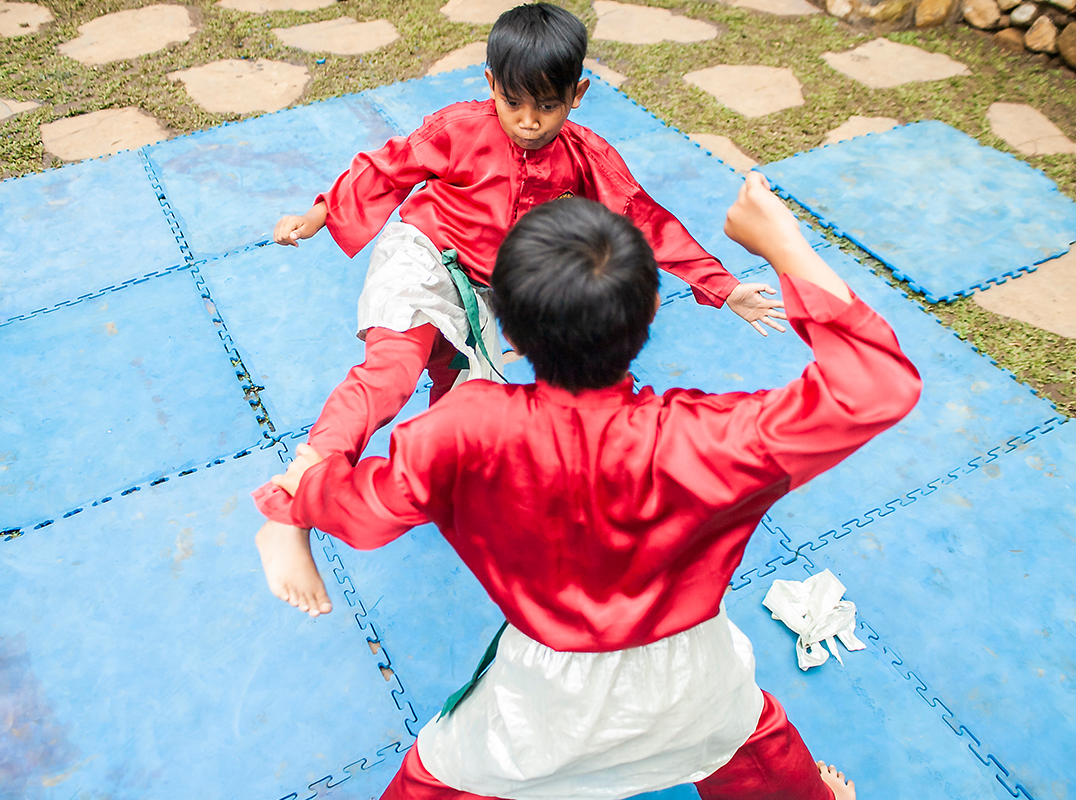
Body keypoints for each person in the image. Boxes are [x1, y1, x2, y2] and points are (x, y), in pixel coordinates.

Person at [257, 176, 921, 799]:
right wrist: (784, 244)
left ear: (509, 331)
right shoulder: (706, 438)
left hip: (545, 696)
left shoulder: (464, 429)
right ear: (651, 309)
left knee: (436, 776)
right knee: (741, 733)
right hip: (689, 675)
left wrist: (296, 497)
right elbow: (877, 385)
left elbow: (362, 509)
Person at [251, 4, 788, 592]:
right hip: (425, 256)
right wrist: (318, 213)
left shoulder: (585, 158)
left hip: (489, 291)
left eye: (548, 105)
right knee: (391, 369)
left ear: (578, 93)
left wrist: (724, 285)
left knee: (464, 400)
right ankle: (291, 503)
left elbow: (645, 220)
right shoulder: (460, 128)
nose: (529, 121)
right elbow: (387, 168)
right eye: (514, 103)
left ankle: (433, 480)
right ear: (490, 85)